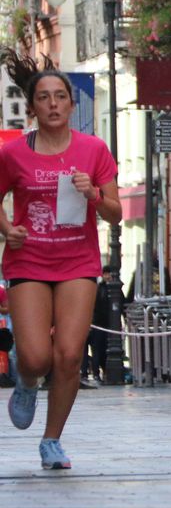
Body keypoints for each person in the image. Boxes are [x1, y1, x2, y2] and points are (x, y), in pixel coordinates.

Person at [0, 50, 120, 470]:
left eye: (60, 96)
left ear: (72, 104)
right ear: (32, 107)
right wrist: (6, 229)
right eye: (44, 97)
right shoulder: (13, 154)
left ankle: (52, 441)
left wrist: (94, 195)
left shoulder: (93, 150)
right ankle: (26, 376)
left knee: (69, 355)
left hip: (78, 263)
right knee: (37, 357)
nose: (52, 104)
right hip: (28, 259)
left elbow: (115, 212)